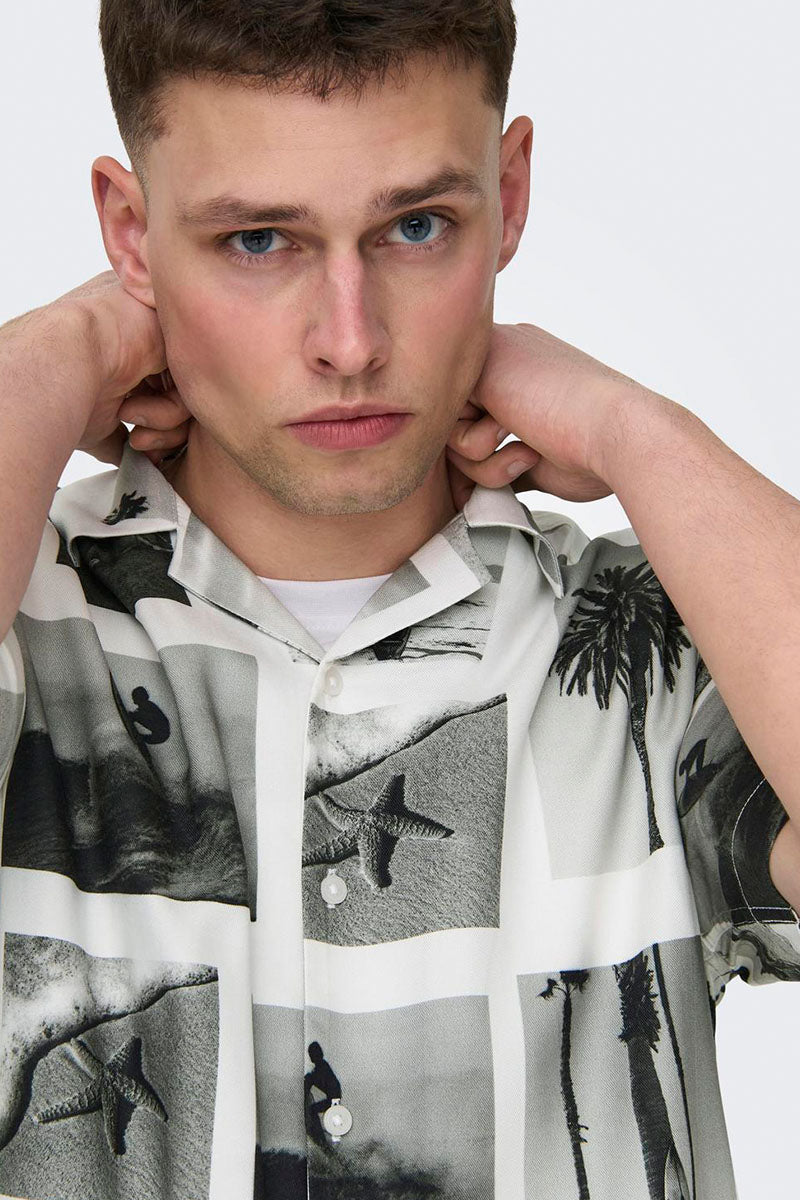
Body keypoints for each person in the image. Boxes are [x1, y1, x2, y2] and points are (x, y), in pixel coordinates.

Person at [0, 1, 798, 1197]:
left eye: (415, 227)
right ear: (131, 229)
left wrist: (643, 435)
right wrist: (61, 350)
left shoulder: (655, 642)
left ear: (508, 194)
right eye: (257, 240)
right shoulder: (29, 620)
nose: (349, 341)